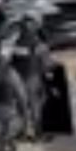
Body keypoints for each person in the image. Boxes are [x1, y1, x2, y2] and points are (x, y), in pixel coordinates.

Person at [13, 13, 52, 141]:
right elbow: (46, 64)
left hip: (18, 77)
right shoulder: (38, 43)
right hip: (32, 77)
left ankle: (22, 133)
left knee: (22, 106)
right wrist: (48, 72)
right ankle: (38, 134)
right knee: (36, 105)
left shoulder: (17, 42)